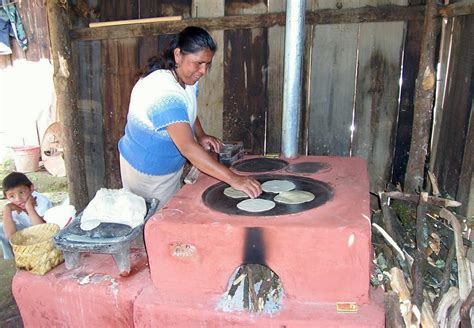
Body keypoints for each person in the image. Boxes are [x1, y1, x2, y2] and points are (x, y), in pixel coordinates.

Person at [118, 26, 262, 208]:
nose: (203, 71)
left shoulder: (187, 80)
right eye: (199, 63)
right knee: (156, 223)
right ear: (178, 55)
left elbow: (187, 111)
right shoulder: (162, 90)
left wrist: (201, 135)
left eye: (207, 64)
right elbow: (187, 147)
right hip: (147, 172)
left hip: (167, 168)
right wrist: (234, 179)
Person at [1, 172, 52, 260]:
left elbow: (44, 230)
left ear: (31, 188)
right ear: (6, 197)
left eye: (21, 192)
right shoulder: (12, 206)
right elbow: (11, 236)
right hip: (27, 233)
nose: (18, 199)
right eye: (12, 196)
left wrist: (29, 208)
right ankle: (12, 257)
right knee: (1, 227)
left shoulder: (42, 201)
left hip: (45, 234)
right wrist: (7, 209)